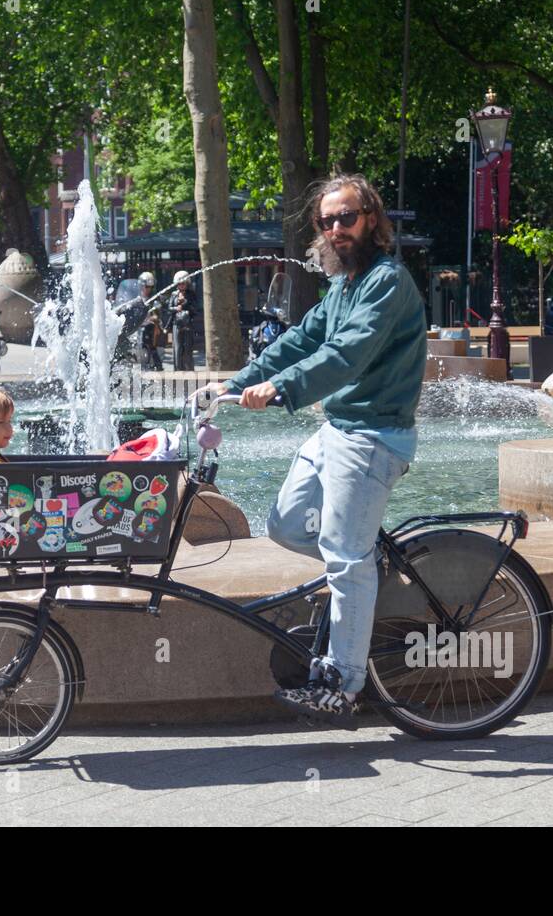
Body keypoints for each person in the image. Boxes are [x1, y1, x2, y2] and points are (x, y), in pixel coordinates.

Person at [193, 173, 427, 724]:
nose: (336, 229)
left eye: (346, 217)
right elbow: (303, 339)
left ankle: (343, 685)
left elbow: (346, 354)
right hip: (340, 430)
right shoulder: (345, 284)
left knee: (345, 561)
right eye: (326, 221)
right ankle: (361, 570)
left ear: (371, 217)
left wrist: (282, 388)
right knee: (286, 523)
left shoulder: (386, 281)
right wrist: (235, 382)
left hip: (373, 436)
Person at [167, 271, 197, 371]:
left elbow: (195, 309)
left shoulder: (191, 294)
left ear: (187, 283)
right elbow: (169, 308)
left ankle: (189, 369)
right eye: (179, 284)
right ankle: (177, 369)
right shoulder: (174, 294)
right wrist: (176, 309)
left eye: (183, 283)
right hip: (177, 324)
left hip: (188, 324)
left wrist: (185, 304)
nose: (181, 285)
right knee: (177, 347)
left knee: (188, 348)